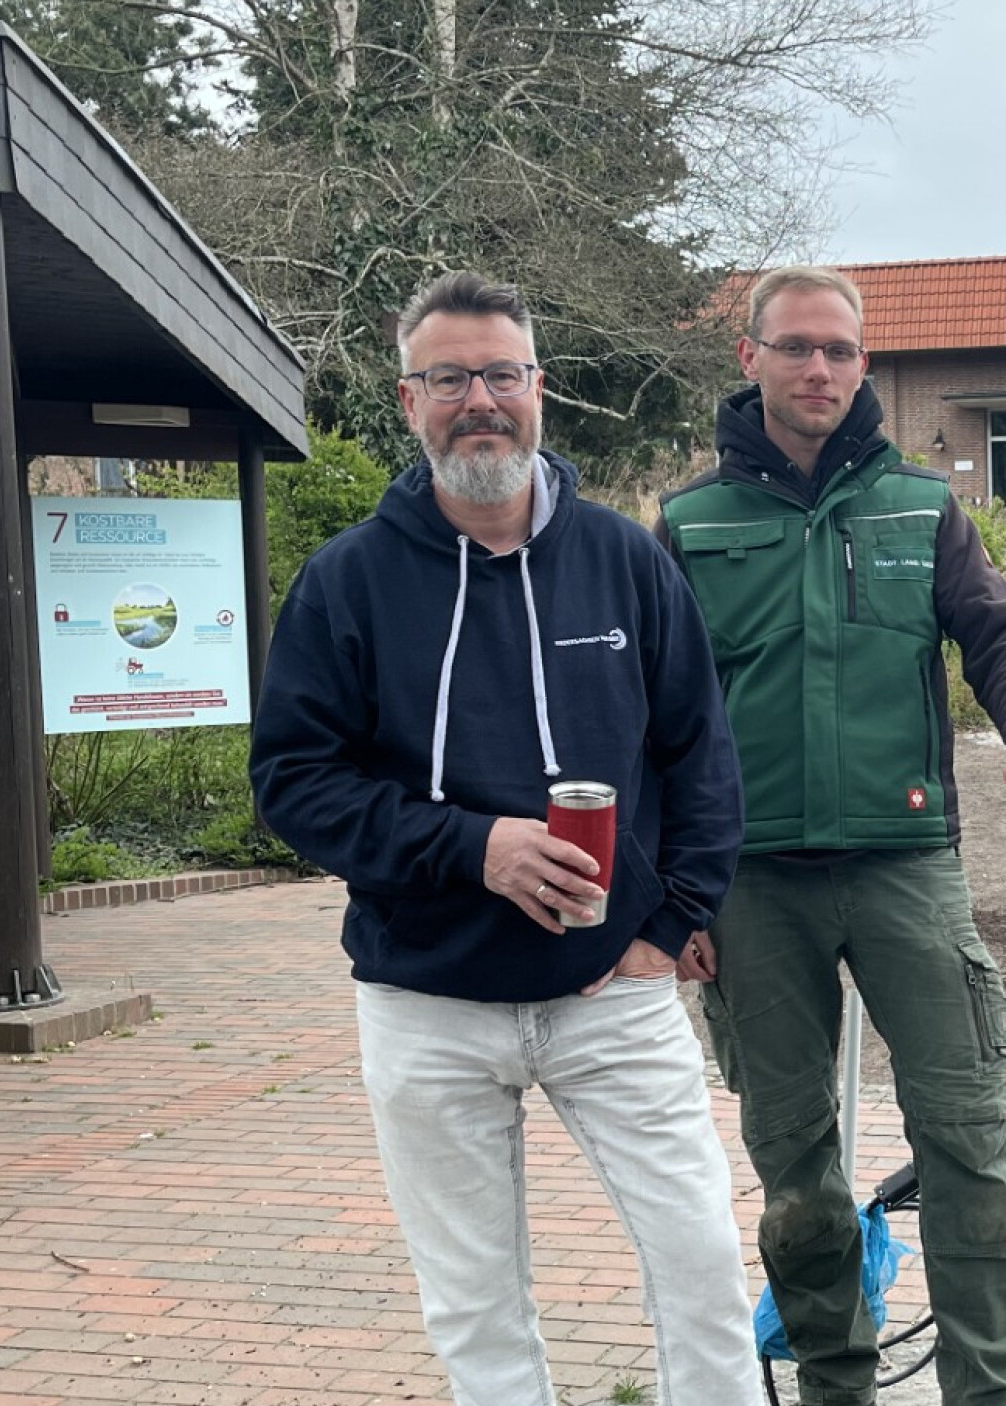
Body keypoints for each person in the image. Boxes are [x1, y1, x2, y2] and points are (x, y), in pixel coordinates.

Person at [251, 271, 763, 1406]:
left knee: (701, 1263)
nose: (478, 399)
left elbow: (701, 755)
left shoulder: (627, 559)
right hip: (426, 998)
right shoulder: (349, 581)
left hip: (610, 994)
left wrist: (668, 920)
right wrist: (470, 846)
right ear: (407, 399)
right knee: (475, 1303)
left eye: (500, 374)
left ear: (540, 389)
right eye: (449, 378)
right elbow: (292, 780)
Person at [657, 264, 1006, 1406]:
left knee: (968, 1141)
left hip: (907, 869)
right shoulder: (690, 525)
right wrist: (675, 893)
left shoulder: (920, 506)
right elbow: (651, 719)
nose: (819, 368)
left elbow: (1000, 633)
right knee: (793, 1163)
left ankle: (982, 1387)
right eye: (796, 346)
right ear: (748, 358)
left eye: (839, 350)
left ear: (863, 363)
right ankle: (835, 1383)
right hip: (754, 887)